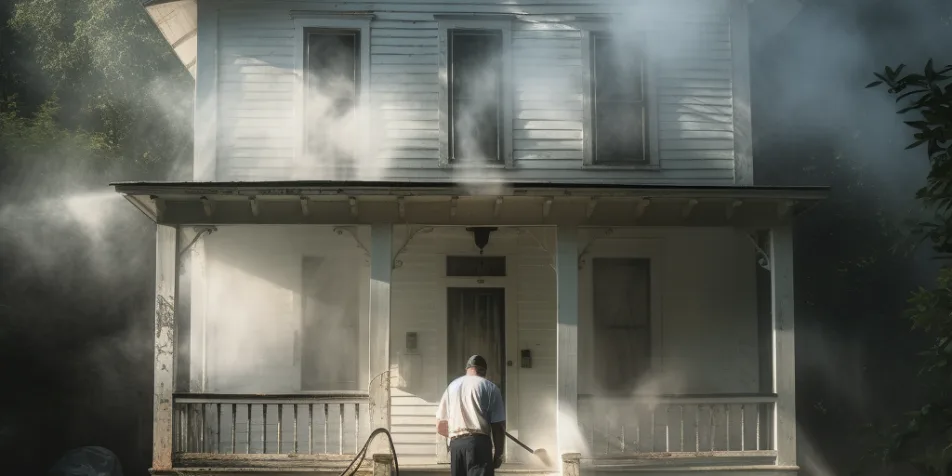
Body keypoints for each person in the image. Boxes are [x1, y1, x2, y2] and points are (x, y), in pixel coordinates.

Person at [436, 355, 506, 476]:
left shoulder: (451, 387)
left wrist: (459, 436)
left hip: (456, 445)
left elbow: (440, 426)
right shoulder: (491, 388)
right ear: (484, 371)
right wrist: (499, 454)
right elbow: (498, 427)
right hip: (479, 445)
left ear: (467, 369)